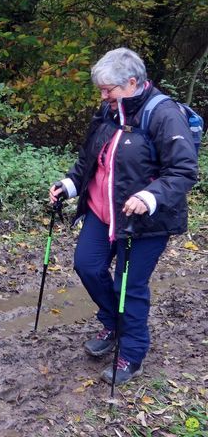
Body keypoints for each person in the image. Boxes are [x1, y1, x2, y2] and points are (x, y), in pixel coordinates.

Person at [49, 48, 198, 385]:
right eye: (101, 90)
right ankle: (113, 322)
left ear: (132, 83)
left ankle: (132, 353)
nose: (103, 96)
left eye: (108, 89)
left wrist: (150, 196)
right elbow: (90, 158)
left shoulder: (163, 115)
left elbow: (184, 171)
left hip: (143, 223)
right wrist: (70, 184)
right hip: (102, 214)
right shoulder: (107, 112)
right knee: (87, 266)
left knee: (129, 287)